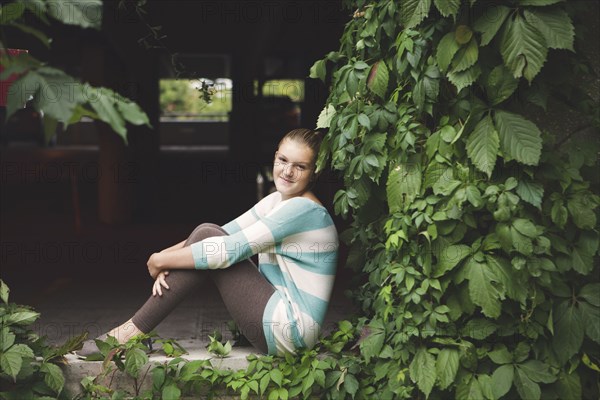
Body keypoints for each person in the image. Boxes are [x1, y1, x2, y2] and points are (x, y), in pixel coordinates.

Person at [77, 128, 339, 356]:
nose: (288, 171)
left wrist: (161, 261)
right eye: (282, 160)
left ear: (313, 173)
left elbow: (226, 250)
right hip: (275, 322)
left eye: (300, 166)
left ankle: (129, 333)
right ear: (274, 157)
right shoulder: (277, 201)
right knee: (207, 231)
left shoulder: (304, 211)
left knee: (212, 242)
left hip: (288, 333)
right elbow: (222, 232)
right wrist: (160, 257)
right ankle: (130, 332)